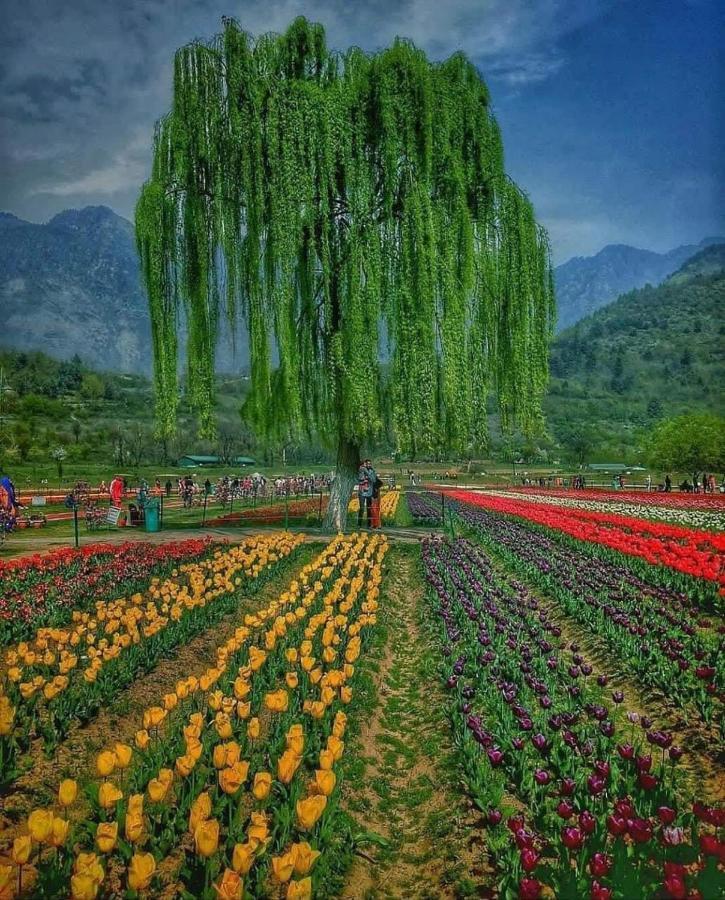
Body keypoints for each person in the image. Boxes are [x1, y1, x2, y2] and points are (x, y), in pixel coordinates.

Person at [357, 459, 374, 528]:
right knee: (362, 508)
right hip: (362, 492)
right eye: (366, 464)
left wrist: (368, 476)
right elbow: (360, 479)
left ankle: (369, 525)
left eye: (369, 464)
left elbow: (373, 479)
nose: (367, 465)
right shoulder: (361, 470)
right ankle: (359, 524)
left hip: (369, 492)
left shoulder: (371, 471)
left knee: (369, 508)